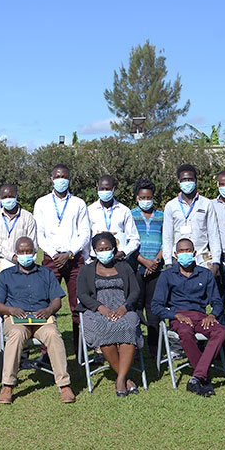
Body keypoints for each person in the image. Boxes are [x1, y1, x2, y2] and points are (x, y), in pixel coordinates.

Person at [0, 236, 74, 404]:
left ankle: (64, 385)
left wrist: (49, 310)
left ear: (35, 253)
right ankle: (7, 385)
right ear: (16, 254)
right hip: (16, 319)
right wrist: (11, 310)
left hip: (41, 318)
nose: (25, 254)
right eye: (22, 252)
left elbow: (57, 300)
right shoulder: (6, 275)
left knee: (53, 334)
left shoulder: (46, 273)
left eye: (29, 251)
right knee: (16, 334)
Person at [150, 238, 225, 397]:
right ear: (176, 255)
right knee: (185, 332)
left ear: (194, 253)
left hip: (201, 316)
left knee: (220, 331)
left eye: (188, 251)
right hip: (178, 317)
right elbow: (156, 305)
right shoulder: (167, 275)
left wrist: (212, 314)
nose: (185, 254)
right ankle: (203, 377)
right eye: (182, 251)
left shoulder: (205, 274)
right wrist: (175, 315)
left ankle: (198, 376)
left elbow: (217, 301)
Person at [76, 232, 143, 397]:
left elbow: (135, 291)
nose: (104, 251)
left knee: (128, 326)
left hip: (123, 308)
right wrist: (101, 308)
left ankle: (120, 379)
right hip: (96, 310)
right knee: (104, 328)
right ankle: (126, 379)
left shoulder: (124, 267)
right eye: (100, 249)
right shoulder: (86, 270)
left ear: (114, 249)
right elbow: (82, 294)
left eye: (108, 248)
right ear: (95, 251)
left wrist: (125, 307)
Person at [34, 164, 90, 356]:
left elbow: (84, 233)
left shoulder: (78, 203)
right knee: (46, 303)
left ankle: (79, 348)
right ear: (51, 178)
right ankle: (45, 350)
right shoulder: (41, 203)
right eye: (57, 176)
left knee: (78, 305)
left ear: (69, 179)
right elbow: (38, 234)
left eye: (64, 176)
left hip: (74, 259)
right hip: (51, 259)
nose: (61, 179)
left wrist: (70, 253)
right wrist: (53, 254)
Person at [0, 183, 36, 353]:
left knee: (23, 304)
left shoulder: (27, 217)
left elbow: (33, 243)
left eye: (11, 196)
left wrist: (21, 258)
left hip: (24, 268)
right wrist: (12, 256)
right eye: (4, 197)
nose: (8, 199)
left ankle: (24, 351)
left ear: (17, 196)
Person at [131, 179, 166, 354]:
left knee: (154, 307)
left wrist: (156, 261)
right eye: (143, 197)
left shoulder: (161, 216)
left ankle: (155, 346)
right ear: (137, 198)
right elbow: (129, 242)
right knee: (136, 306)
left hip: (157, 268)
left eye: (149, 197)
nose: (146, 200)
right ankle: (136, 345)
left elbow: (166, 239)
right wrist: (143, 261)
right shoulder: (130, 215)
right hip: (136, 267)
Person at [87, 175, 140, 263]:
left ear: (113, 189)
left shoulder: (124, 210)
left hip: (118, 259)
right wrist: (88, 260)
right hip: (96, 259)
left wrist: (123, 253)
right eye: (102, 189)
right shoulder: (89, 210)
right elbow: (86, 237)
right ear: (97, 189)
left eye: (107, 189)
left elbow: (135, 239)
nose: (104, 191)